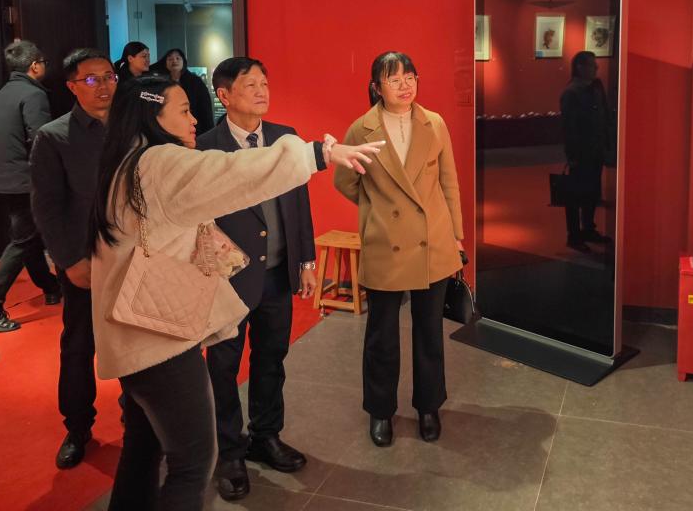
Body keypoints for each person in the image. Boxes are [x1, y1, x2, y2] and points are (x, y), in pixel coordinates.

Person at [88, 75, 381, 511]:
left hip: (136, 336)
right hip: (160, 340)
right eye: (184, 110)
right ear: (153, 115)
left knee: (144, 449)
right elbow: (232, 173)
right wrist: (317, 154)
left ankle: (264, 436)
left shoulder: (126, 162)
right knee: (192, 464)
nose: (194, 119)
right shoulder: (159, 162)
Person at [197, 57, 319, 501]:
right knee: (224, 367)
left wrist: (306, 261)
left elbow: (299, 204)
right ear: (224, 95)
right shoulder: (205, 148)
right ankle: (230, 451)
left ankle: (266, 436)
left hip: (277, 274)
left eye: (265, 82)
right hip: (228, 280)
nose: (262, 90)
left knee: (272, 358)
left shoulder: (286, 139)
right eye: (250, 85)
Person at [334, 51, 464, 448]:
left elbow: (449, 182)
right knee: (381, 336)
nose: (405, 85)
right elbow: (345, 181)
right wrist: (376, 210)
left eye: (410, 76)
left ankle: (428, 406)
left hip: (432, 241)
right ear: (377, 87)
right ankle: (380, 410)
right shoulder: (361, 128)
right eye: (394, 79)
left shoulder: (434, 123)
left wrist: (456, 235)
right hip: (385, 244)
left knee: (430, 332)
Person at [30, 48, 117, 469]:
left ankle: (139, 418)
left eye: (109, 76)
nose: (104, 86)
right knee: (80, 345)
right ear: (72, 87)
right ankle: (78, 426)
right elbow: (46, 206)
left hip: (134, 256)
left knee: (139, 339)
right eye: (91, 80)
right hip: (85, 260)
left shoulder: (133, 126)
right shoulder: (54, 136)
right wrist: (68, 260)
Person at [0, 40, 61, 333]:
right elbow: (41, 140)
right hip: (27, 179)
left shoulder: (2, 95)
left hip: (6, 179)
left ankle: (50, 286)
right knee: (23, 240)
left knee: (28, 237)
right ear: (34, 65)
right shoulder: (33, 94)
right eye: (43, 62)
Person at [560, 51, 613, 253]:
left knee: (591, 192)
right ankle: (574, 236)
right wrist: (572, 155)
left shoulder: (594, 88)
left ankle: (588, 229)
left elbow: (603, 119)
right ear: (580, 67)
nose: (596, 68)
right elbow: (569, 128)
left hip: (595, 150)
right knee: (575, 196)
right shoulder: (572, 93)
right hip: (581, 153)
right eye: (592, 65)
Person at [151, 48, 214, 134]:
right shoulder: (161, 83)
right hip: (169, 129)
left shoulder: (195, 82)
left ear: (183, 61)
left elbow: (205, 109)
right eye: (170, 59)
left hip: (193, 128)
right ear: (165, 63)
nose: (174, 61)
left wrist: (209, 133)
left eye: (178, 58)